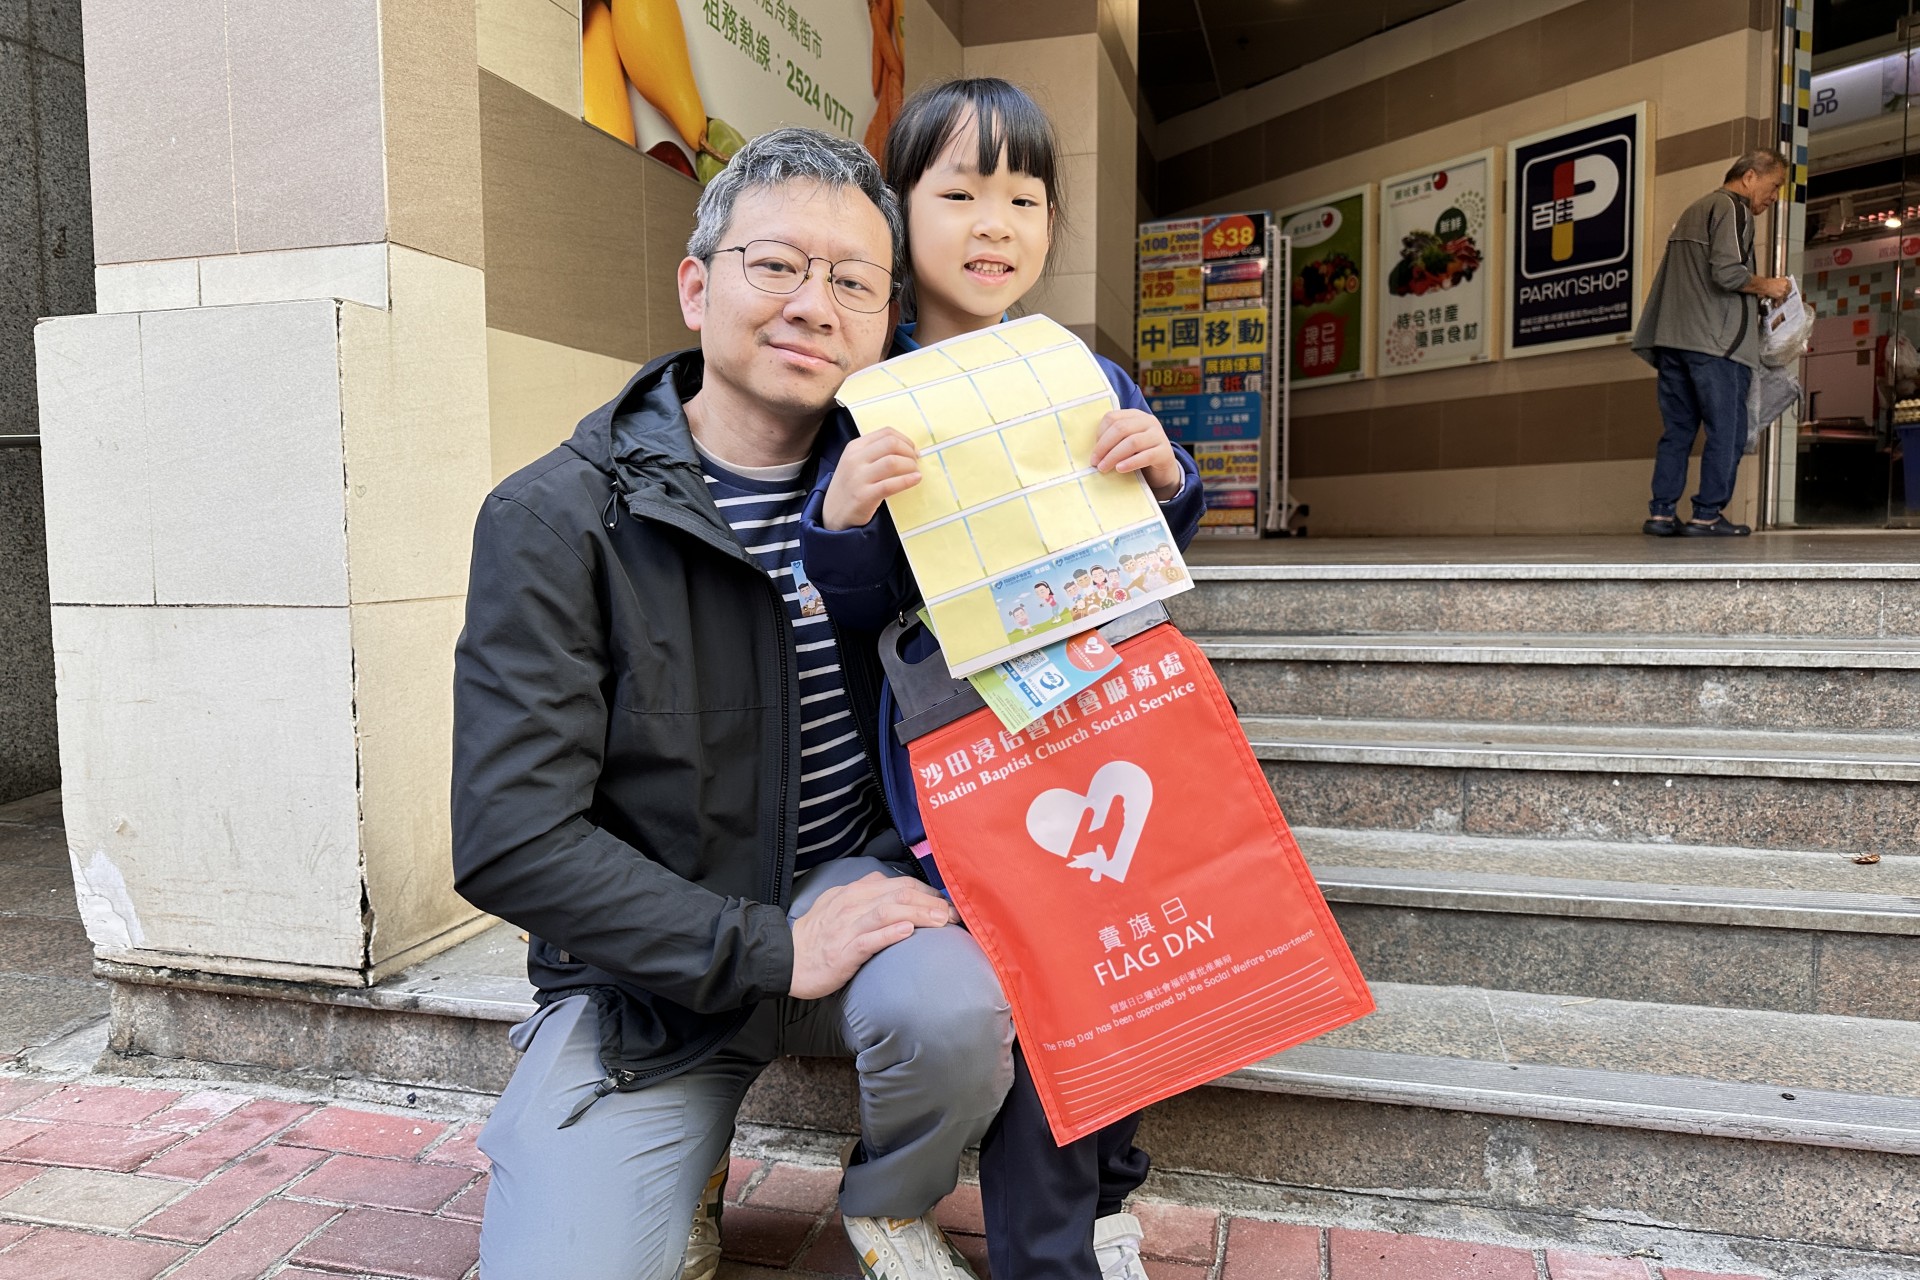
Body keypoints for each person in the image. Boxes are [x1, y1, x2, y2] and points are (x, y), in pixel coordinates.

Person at [450, 127, 1014, 1280]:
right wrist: (769, 943)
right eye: (777, 265)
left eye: (853, 281)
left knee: (956, 1013)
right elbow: (511, 835)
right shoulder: (557, 519)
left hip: (850, 890)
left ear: (884, 321)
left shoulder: (919, 488)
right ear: (696, 286)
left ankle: (889, 1196)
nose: (813, 303)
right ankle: (677, 1162)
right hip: (650, 965)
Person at [799, 78, 1205, 1280]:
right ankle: (1049, 1249)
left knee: (1137, 961)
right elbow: (862, 612)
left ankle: (1106, 1193)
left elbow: (1149, 554)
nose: (996, 224)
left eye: (1025, 198)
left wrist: (1169, 475)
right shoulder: (870, 394)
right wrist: (842, 517)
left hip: (1113, 727)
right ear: (898, 209)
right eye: (961, 193)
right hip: (968, 758)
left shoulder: (1080, 372)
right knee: (1050, 980)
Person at [1632, 149, 1795, 537]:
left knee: (1678, 431)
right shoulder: (1733, 208)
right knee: (1728, 431)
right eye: (1774, 186)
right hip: (1716, 346)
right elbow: (1727, 274)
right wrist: (1770, 286)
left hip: (1673, 341)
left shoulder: (1695, 209)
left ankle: (1661, 513)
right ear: (1750, 177)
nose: (1774, 198)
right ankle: (1706, 514)